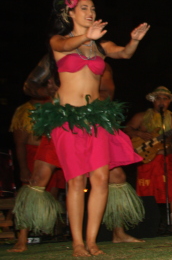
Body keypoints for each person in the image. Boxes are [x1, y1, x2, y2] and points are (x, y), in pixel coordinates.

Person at [27, 0, 148, 256]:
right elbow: (68, 43)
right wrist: (85, 37)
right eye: (84, 8)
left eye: (93, 8)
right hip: (68, 120)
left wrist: (135, 40)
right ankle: (78, 243)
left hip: (97, 119)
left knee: (101, 178)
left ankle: (93, 242)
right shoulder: (59, 42)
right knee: (76, 180)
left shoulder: (100, 44)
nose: (91, 12)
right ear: (70, 13)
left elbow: (124, 53)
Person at [10, 56, 144, 253]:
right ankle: (22, 237)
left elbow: (107, 93)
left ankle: (118, 232)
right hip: (63, 123)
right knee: (39, 177)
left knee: (116, 176)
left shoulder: (102, 62)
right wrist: (49, 91)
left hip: (92, 124)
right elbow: (29, 86)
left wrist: (88, 99)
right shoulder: (59, 54)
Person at [125, 86, 172, 214]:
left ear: (169, 102)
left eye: (165, 99)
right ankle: (147, 226)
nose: (161, 101)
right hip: (146, 161)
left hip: (166, 160)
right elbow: (126, 129)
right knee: (146, 192)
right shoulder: (141, 117)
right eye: (158, 98)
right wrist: (139, 133)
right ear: (153, 101)